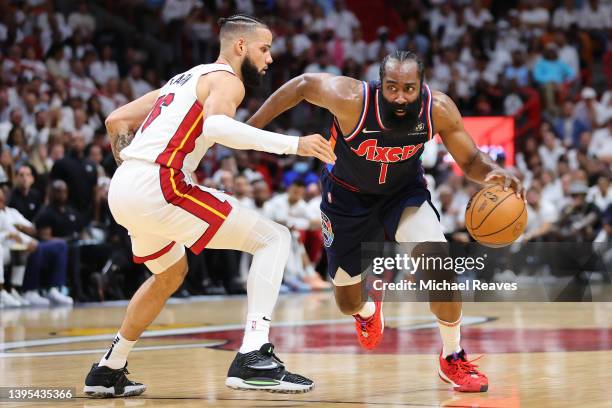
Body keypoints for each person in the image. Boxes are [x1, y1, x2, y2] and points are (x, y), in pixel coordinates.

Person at [82, 14, 336, 397]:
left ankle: (109, 368)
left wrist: (132, 171)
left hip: (126, 186)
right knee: (274, 238)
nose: (268, 59)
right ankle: (253, 355)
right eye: (264, 49)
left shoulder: (183, 79)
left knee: (169, 274)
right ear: (240, 46)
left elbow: (116, 119)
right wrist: (294, 144)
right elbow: (217, 129)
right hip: (160, 183)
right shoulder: (226, 79)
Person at [248, 50, 525, 393]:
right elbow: (303, 85)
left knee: (438, 263)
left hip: (402, 194)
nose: (399, 96)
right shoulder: (350, 99)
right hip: (346, 200)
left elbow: (469, 160)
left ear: (421, 86)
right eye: (391, 87)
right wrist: (250, 128)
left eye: (408, 88)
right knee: (346, 301)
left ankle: (452, 356)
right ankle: (367, 310)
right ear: (379, 85)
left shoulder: (436, 109)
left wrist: (493, 171)